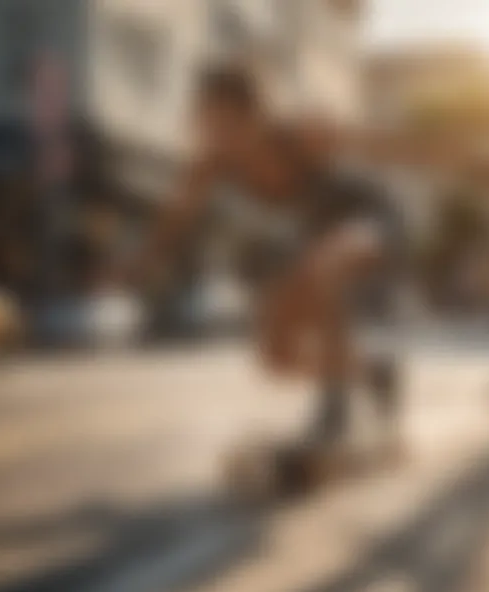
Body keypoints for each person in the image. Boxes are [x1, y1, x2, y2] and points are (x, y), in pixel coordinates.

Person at [150, 65, 409, 485]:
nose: (218, 137)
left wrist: (466, 162)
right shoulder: (213, 164)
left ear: (255, 117)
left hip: (372, 219)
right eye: (207, 125)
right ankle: (372, 370)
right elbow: (177, 213)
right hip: (321, 238)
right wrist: (141, 260)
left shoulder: (296, 135)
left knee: (324, 264)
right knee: (276, 358)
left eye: (227, 125)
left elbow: (378, 144)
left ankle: (334, 409)